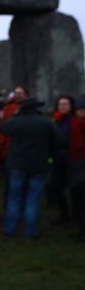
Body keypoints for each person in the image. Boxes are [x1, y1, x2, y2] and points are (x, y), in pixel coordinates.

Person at [1, 98, 61, 238]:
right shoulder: (46, 122)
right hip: (39, 165)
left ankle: (10, 229)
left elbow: (4, 130)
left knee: (14, 198)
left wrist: (16, 115)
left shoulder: (16, 121)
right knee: (33, 199)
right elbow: (59, 140)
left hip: (18, 165)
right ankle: (31, 232)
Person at [49, 96, 74, 225]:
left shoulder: (74, 120)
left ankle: (74, 216)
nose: (62, 106)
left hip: (72, 159)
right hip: (57, 158)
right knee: (57, 187)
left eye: (65, 104)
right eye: (60, 104)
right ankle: (64, 215)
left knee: (75, 189)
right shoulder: (55, 120)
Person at [69, 97, 85, 242]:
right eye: (80, 110)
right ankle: (80, 229)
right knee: (78, 202)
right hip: (76, 166)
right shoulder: (74, 125)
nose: (82, 112)